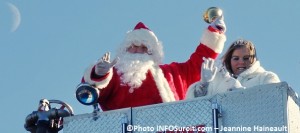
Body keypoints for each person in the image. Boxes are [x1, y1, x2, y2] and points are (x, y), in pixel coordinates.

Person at [80, 18, 226, 111]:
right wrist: (99, 74)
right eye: (134, 46)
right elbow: (90, 91)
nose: (138, 51)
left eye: (145, 48)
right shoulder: (115, 75)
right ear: (125, 50)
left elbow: (197, 63)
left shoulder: (171, 72)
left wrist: (214, 32)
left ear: (153, 54)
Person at [186, 39, 281, 98]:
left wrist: (241, 94)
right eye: (236, 58)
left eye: (246, 58)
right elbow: (196, 110)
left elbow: (274, 102)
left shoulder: (266, 78)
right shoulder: (219, 82)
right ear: (229, 60)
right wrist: (204, 84)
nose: (241, 62)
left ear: (254, 59)